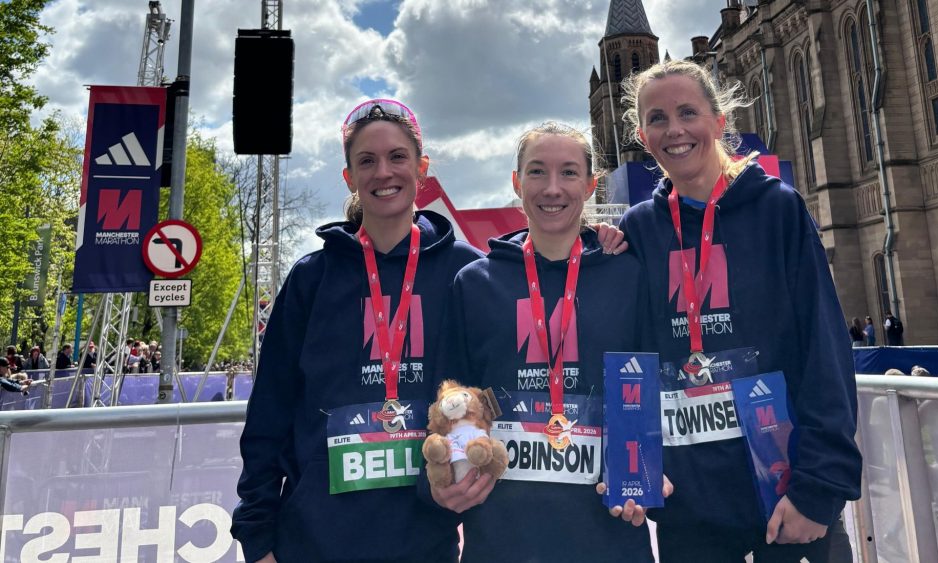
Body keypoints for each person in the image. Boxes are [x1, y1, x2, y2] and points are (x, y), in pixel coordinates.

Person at [616, 59, 861, 561]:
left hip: (787, 490)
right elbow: (630, 354)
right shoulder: (639, 228)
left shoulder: (778, 209)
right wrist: (634, 470)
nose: (675, 130)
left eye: (688, 112)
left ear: (719, 121)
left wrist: (817, 490)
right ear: (643, 135)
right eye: (657, 118)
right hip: (691, 505)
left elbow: (824, 349)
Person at [231, 99, 489, 563]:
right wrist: (257, 535)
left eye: (397, 157)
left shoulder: (465, 272)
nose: (382, 172)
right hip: (314, 538)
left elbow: (490, 387)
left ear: (421, 168)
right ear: (348, 176)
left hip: (424, 537)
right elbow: (270, 409)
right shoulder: (313, 278)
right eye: (366, 161)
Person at [431, 122, 665, 563]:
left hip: (608, 532)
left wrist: (649, 473)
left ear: (591, 184)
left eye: (569, 173)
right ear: (517, 183)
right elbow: (454, 397)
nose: (553, 188)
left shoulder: (628, 275)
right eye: (537, 172)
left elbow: (649, 389)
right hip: (502, 538)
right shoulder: (476, 283)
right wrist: (453, 477)